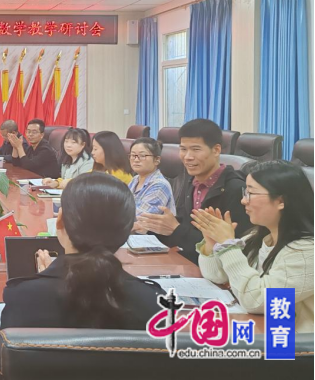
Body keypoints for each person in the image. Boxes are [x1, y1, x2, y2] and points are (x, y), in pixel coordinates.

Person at [0, 173, 164, 330]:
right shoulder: (154, 302)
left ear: (60, 220)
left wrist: (45, 280)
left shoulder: (23, 297)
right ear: (127, 230)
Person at [193, 161, 314, 332]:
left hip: (293, 343)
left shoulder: (306, 251)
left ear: (280, 201)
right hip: (263, 330)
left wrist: (228, 246)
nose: (243, 200)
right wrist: (212, 243)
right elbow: (216, 275)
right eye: (245, 192)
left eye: (251, 193)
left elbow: (256, 300)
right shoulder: (258, 236)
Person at [137, 119, 252, 264]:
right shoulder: (192, 182)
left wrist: (175, 229)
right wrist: (154, 226)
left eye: (196, 149)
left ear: (216, 150)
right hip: (188, 264)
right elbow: (186, 229)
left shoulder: (235, 189)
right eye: (183, 149)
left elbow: (237, 247)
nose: (188, 157)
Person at [128, 138, 175, 226]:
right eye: (133, 155)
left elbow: (140, 219)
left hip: (149, 233)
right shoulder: (135, 179)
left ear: (157, 160)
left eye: (142, 155)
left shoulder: (160, 185)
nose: (136, 159)